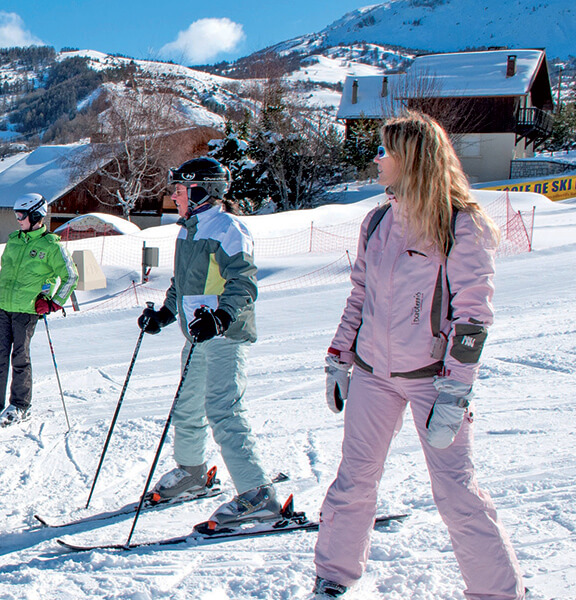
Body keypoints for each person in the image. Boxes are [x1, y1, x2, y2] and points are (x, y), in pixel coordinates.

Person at [312, 113, 523, 599]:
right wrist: (338, 356)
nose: (377, 159)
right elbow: (360, 296)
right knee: (353, 480)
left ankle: (497, 593)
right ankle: (333, 576)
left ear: (411, 158)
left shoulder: (459, 223)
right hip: (372, 374)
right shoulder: (378, 221)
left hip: (433, 378)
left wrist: (455, 389)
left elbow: (472, 317)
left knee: (457, 492)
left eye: (385, 151)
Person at [137, 156, 285, 531]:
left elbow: (244, 284)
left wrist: (221, 317)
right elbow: (183, 286)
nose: (174, 195)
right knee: (187, 408)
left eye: (180, 188)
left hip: (225, 335)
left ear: (202, 190)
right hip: (197, 336)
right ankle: (192, 471)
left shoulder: (228, 229)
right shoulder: (187, 230)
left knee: (223, 410)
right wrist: (165, 316)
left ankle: (257, 495)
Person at [0, 193, 77, 429]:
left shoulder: (50, 245)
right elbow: (6, 276)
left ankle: (20, 405)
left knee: (20, 358)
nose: (18, 219)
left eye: (21, 215)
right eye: (16, 214)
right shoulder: (14, 241)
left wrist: (54, 302)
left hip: (27, 311)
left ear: (36, 215)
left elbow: (70, 276)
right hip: (5, 309)